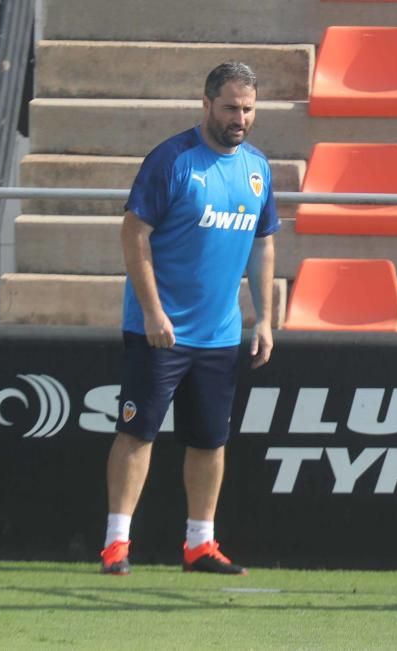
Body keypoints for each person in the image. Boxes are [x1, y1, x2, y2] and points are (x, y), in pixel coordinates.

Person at [99, 61, 278, 576]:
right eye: (230, 108)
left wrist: (264, 318)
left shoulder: (258, 168)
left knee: (209, 441)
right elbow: (134, 234)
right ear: (206, 104)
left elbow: (262, 245)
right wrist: (152, 311)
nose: (239, 118)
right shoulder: (172, 160)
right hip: (161, 331)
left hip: (220, 334)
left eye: (247, 108)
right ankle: (116, 544)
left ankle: (200, 544)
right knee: (137, 434)